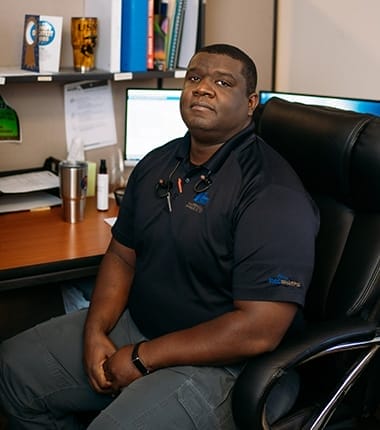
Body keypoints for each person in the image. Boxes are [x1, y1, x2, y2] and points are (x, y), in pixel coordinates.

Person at [0, 44, 319, 429]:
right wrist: (96, 331)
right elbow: (121, 255)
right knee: (14, 371)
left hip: (228, 366)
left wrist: (142, 357)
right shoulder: (159, 162)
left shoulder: (271, 192)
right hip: (142, 327)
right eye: (195, 78)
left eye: (222, 82)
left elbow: (258, 330)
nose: (202, 88)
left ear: (251, 103)